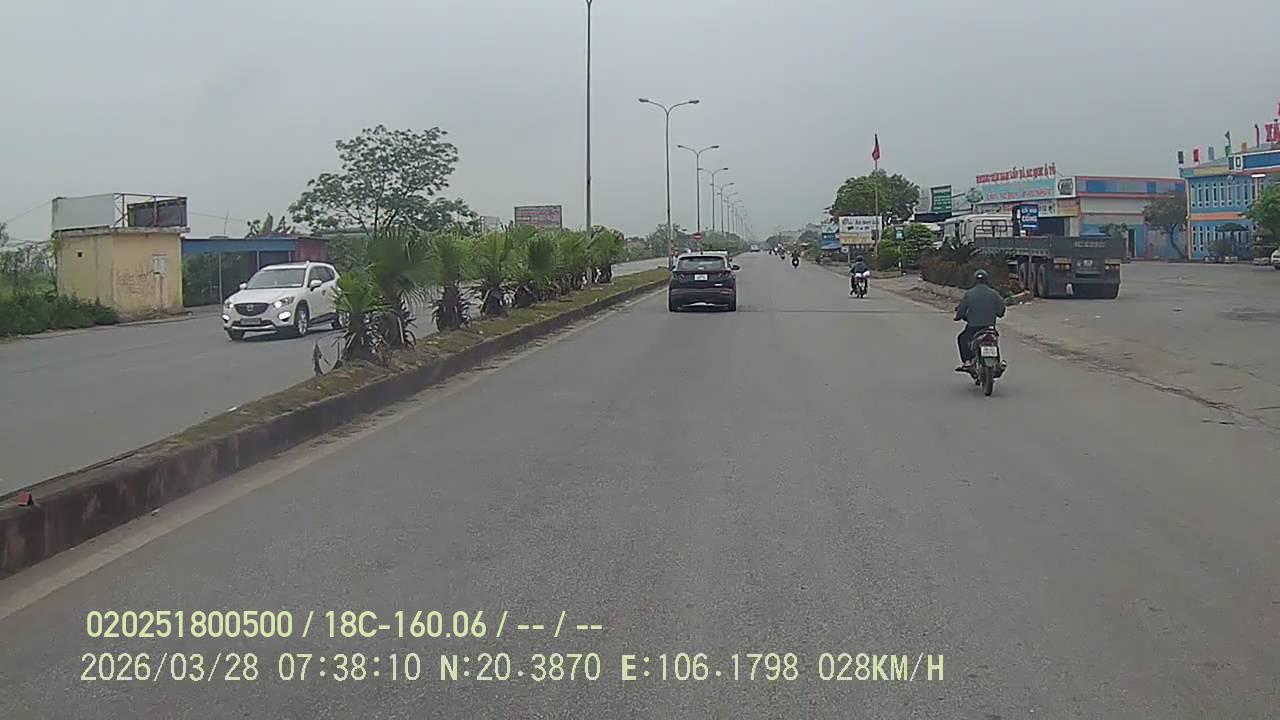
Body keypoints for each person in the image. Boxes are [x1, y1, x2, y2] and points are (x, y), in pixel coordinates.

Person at [954, 269, 1006, 372]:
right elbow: (1001, 311)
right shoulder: (994, 294)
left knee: (962, 338)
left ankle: (967, 361)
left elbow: (961, 310)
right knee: (994, 341)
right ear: (987, 280)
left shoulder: (969, 294)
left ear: (975, 280)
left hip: (973, 327)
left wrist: (958, 317)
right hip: (989, 327)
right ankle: (998, 363)